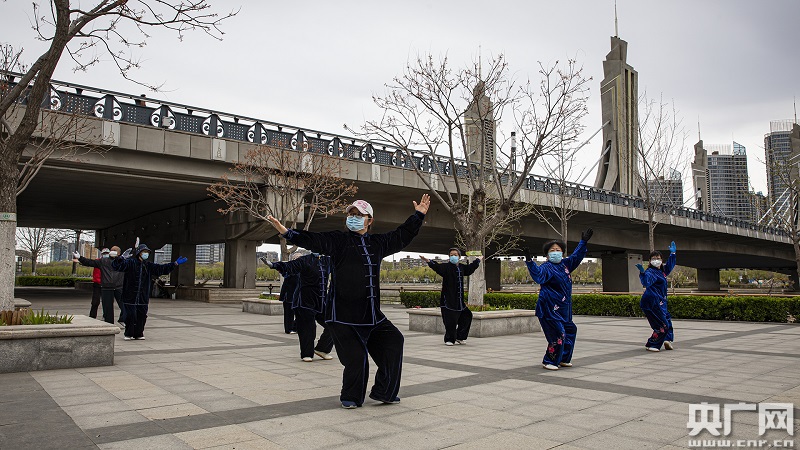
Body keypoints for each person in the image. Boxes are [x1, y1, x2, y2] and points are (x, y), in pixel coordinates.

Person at [266, 194, 430, 409]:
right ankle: (351, 397)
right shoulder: (338, 241)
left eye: (358, 215)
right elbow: (314, 239)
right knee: (357, 359)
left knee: (394, 341)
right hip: (343, 317)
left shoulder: (378, 243)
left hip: (372, 316)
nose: (352, 218)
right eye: (350, 214)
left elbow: (402, 235)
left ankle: (385, 391)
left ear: (369, 220)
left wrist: (418, 215)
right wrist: (288, 233)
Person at [525, 228, 593, 370]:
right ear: (547, 254)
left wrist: (583, 241)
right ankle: (549, 360)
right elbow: (538, 275)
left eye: (558, 249)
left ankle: (563, 358)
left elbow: (577, 256)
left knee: (570, 330)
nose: (556, 252)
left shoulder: (566, 265)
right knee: (558, 334)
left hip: (564, 309)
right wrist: (530, 261)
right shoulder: (546, 267)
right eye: (552, 250)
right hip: (549, 307)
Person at [264, 252, 335, 362]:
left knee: (334, 324)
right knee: (308, 328)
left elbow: (342, 265)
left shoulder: (327, 260)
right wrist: (274, 265)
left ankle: (322, 349)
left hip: (321, 301)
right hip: (304, 301)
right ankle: (307, 353)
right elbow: (290, 265)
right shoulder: (305, 260)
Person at [112, 243, 188, 340]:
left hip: (143, 296)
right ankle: (128, 333)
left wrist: (175, 264)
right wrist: (121, 258)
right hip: (130, 295)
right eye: (144, 252)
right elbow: (116, 266)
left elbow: (161, 269)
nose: (146, 254)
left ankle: (138, 333)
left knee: (142, 315)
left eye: (147, 252)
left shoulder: (148, 265)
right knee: (130, 315)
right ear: (139, 253)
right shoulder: (130, 262)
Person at [421, 249, 480, 346]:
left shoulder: (461, 267)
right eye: (451, 255)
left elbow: (470, 269)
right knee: (450, 321)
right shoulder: (446, 267)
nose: (453, 256)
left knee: (467, 316)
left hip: (459, 301)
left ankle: (460, 337)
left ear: (459, 257)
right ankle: (449, 339)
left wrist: (478, 260)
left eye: (455, 254)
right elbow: (437, 267)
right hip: (448, 300)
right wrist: (428, 261)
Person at [635, 241, 677, 352]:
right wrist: (643, 273)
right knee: (663, 326)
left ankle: (667, 340)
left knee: (667, 320)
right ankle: (654, 345)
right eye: (653, 258)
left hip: (661, 302)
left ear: (662, 260)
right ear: (649, 261)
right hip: (652, 302)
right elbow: (647, 282)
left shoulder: (662, 272)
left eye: (658, 258)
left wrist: (673, 254)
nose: (656, 260)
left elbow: (669, 266)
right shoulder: (651, 272)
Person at [74, 246, 124, 325]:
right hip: (106, 287)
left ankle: (123, 319)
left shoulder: (123, 262)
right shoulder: (103, 261)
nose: (113, 252)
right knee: (108, 309)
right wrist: (80, 258)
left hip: (119, 287)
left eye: (115, 251)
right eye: (112, 250)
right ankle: (109, 324)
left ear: (119, 253)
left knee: (125, 305)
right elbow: (90, 262)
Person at [276, 252, 301, 335]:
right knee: (289, 313)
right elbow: (284, 273)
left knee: (301, 314)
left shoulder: (302, 269)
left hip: (298, 296)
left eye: (299, 258)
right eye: (295, 258)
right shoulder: (290, 269)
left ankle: (295, 327)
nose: (297, 260)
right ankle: (289, 329)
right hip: (289, 296)